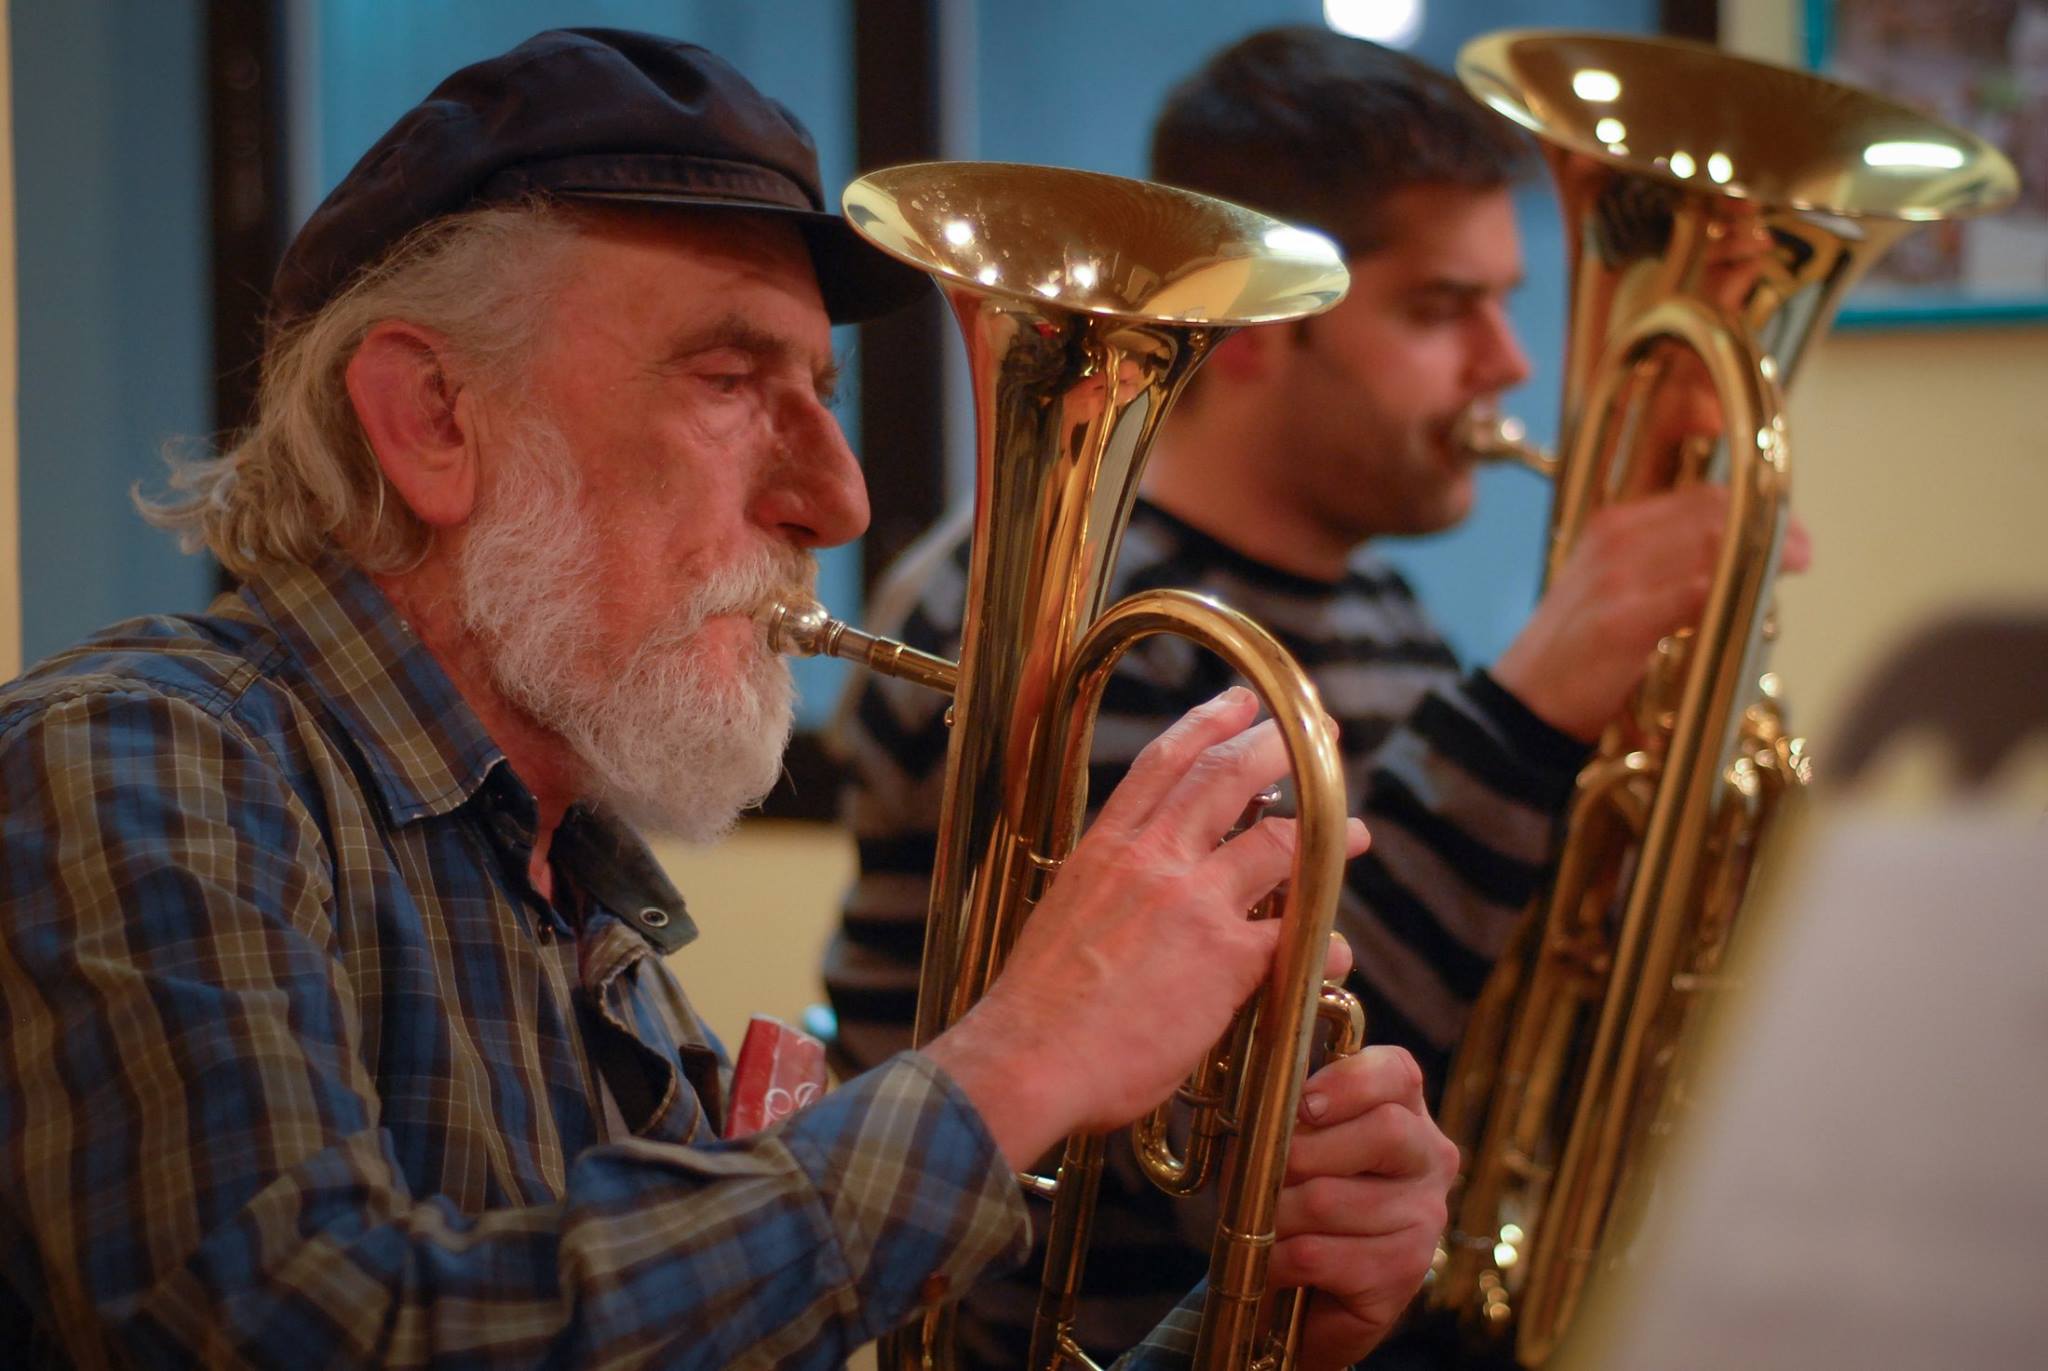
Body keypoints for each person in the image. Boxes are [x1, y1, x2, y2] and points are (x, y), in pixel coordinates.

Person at [0, 29, 1459, 1371]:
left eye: (823, 392)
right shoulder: (141, 756)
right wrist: (1022, 1059)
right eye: (727, 380)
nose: (841, 497)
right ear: (434, 421)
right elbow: (297, 1331)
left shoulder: (585, 909)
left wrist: (1264, 1321)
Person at [822, 25, 1812, 1367]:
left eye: (1506, 301)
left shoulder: (1386, 612)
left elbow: (1480, 1031)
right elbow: (1225, 1138)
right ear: (1255, 331)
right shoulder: (1053, 612)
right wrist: (1532, 708)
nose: (1510, 364)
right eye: (1440, 308)